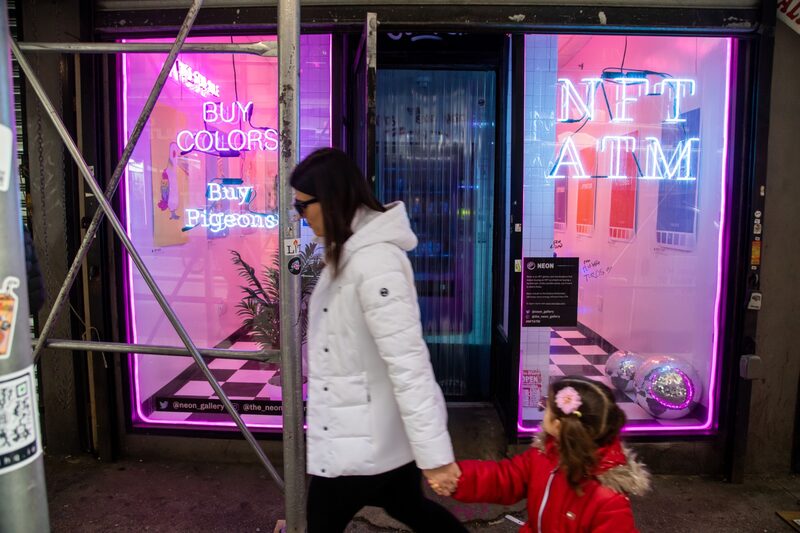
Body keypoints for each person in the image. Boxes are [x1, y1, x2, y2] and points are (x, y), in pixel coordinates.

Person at [291, 148, 466, 532]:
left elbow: (409, 364)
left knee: (322, 517)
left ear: (331, 200)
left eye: (302, 206)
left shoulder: (374, 265)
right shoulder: (349, 254)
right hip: (369, 430)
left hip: (362, 437)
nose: (299, 216)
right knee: (410, 508)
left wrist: (436, 455)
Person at [434, 377, 650, 533]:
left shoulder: (608, 501)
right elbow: (506, 478)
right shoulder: (545, 455)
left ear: (557, 424)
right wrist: (458, 477)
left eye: (545, 406)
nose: (542, 408)